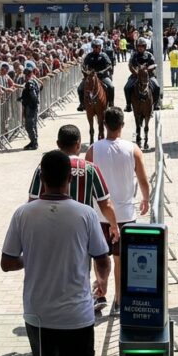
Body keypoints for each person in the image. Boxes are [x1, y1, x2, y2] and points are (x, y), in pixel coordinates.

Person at [1, 150, 110, 356]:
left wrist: (29, 259)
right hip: (77, 315)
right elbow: (102, 258)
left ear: (41, 177)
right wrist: (101, 283)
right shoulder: (85, 215)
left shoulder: (23, 214)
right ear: (68, 179)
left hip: (37, 313)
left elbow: (8, 262)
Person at [27, 124, 120, 311]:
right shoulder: (90, 169)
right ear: (79, 145)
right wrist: (114, 225)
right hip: (81, 232)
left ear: (57, 144)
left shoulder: (44, 168)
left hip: (49, 229)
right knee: (81, 269)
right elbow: (105, 204)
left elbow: (32, 202)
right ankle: (79, 306)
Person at [85, 108, 150, 315]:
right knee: (121, 259)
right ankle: (120, 300)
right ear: (122, 125)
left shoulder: (93, 149)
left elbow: (87, 181)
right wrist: (146, 198)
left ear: (104, 124)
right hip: (125, 215)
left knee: (99, 257)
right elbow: (142, 179)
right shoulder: (133, 149)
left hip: (99, 213)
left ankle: (100, 294)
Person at [123, 37, 162, 112]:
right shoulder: (134, 55)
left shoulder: (149, 55)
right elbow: (130, 65)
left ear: (145, 46)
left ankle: (156, 104)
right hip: (136, 76)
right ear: (137, 47)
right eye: (139, 46)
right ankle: (128, 105)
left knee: (157, 86)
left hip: (148, 76)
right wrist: (135, 72)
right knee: (126, 87)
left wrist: (147, 70)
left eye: (142, 46)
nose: (140, 48)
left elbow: (154, 65)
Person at [76, 39, 113, 111]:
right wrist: (85, 72)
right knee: (80, 89)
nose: (97, 48)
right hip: (90, 77)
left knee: (111, 87)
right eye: (95, 47)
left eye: (98, 47)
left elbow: (109, 66)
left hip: (102, 76)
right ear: (92, 47)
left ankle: (111, 103)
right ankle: (82, 104)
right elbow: (83, 66)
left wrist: (103, 71)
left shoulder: (104, 55)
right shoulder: (89, 56)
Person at [20, 65, 42, 150]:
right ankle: (33, 141)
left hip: (30, 107)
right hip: (32, 106)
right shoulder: (35, 81)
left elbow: (33, 95)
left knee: (29, 125)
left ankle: (34, 142)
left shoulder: (30, 83)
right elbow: (40, 88)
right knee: (33, 125)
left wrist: (34, 103)